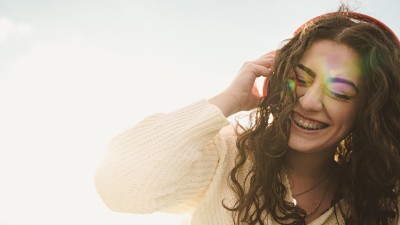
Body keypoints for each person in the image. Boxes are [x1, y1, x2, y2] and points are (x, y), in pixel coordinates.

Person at [94, 5, 400, 225]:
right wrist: (228, 100)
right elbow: (118, 185)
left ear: (370, 110)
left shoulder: (383, 205)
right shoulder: (225, 156)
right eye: (301, 79)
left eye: (340, 92)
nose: (309, 101)